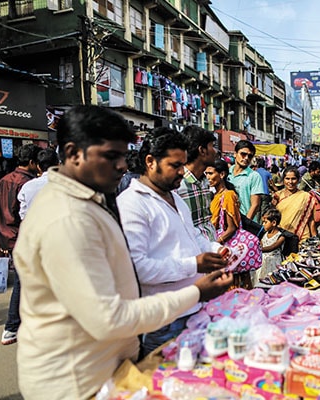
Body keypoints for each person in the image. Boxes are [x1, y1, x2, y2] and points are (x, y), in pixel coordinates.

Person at [13, 105, 232, 399]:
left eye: (122, 155)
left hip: (105, 366)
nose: (122, 166)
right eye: (110, 156)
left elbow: (188, 238)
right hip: (75, 381)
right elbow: (109, 316)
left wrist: (210, 253)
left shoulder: (90, 201)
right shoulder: (67, 217)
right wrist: (195, 290)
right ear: (73, 153)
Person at [117, 128, 230, 356]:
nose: (182, 172)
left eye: (183, 164)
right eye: (175, 165)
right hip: (163, 320)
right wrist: (194, 265)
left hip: (195, 310)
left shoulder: (176, 197)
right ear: (150, 162)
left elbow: (192, 236)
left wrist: (216, 250)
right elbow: (137, 268)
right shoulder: (131, 204)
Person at [0, 143, 40, 345]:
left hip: (7, 238)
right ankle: (13, 326)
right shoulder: (27, 184)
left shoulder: (2, 181)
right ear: (32, 163)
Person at [206, 159, 253, 289]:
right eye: (206, 174)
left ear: (221, 175)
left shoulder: (228, 196)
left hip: (227, 248)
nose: (207, 177)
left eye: (210, 173)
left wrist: (216, 242)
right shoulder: (214, 195)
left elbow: (231, 228)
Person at [177, 125, 218, 241]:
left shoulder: (205, 181)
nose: (216, 152)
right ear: (202, 150)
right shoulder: (178, 185)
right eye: (212, 146)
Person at [273, 166, 318, 240]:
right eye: (287, 178)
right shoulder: (277, 195)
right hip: (281, 236)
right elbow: (273, 218)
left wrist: (315, 239)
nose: (290, 182)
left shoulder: (306, 196)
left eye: (293, 179)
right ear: (283, 180)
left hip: (301, 236)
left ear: (298, 180)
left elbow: (311, 220)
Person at [17, 148, 59, 220]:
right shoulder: (69, 185)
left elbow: (23, 214)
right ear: (58, 165)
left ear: (38, 167)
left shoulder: (27, 187)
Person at [228, 140, 264, 221]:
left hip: (245, 222)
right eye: (243, 154)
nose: (246, 158)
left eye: (250, 156)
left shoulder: (254, 176)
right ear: (235, 154)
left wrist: (245, 224)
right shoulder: (227, 173)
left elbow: (255, 204)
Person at [256, 208, 286, 285]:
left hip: (274, 263)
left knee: (273, 282)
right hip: (263, 262)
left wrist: (258, 249)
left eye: (265, 222)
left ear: (274, 223)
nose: (263, 224)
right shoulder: (264, 235)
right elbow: (261, 244)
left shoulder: (281, 236)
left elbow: (272, 247)